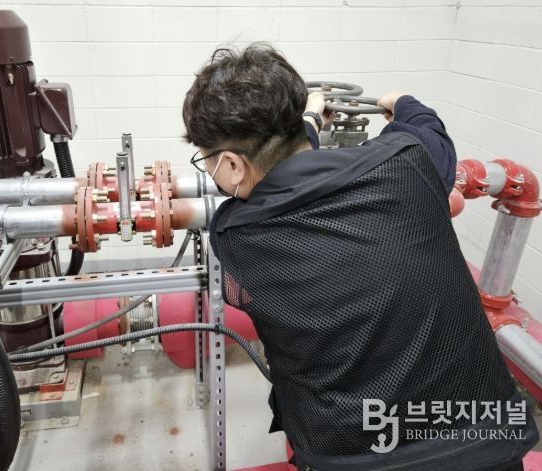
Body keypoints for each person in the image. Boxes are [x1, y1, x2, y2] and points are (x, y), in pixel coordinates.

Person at [182, 43, 538, 471]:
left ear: (232, 165)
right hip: (485, 442)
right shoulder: (409, 162)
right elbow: (429, 131)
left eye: (207, 160)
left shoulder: (236, 235)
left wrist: (310, 122)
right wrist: (400, 101)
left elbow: (282, 186)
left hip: (351, 455)